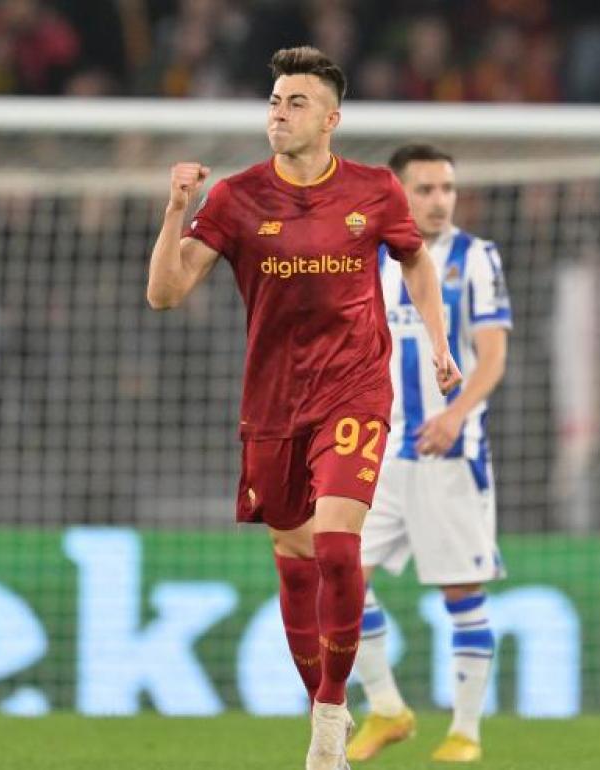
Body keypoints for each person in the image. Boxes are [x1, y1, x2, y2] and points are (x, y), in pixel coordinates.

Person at [145, 46, 462, 770]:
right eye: (274, 101)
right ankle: (323, 707)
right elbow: (164, 294)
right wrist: (175, 210)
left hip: (353, 390)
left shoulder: (376, 190)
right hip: (273, 404)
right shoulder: (235, 198)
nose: (277, 113)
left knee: (338, 545)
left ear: (330, 119)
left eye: (294, 103)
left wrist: (439, 344)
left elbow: (414, 258)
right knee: (294, 566)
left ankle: (330, 716)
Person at [346, 144, 512, 764]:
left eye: (447, 188)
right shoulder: (371, 260)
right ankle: (387, 708)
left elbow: (492, 354)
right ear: (398, 192)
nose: (440, 200)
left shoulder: (476, 259)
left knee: (461, 592)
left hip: (450, 451)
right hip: (381, 452)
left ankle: (466, 731)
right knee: (337, 576)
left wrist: (454, 414)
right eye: (426, 189)